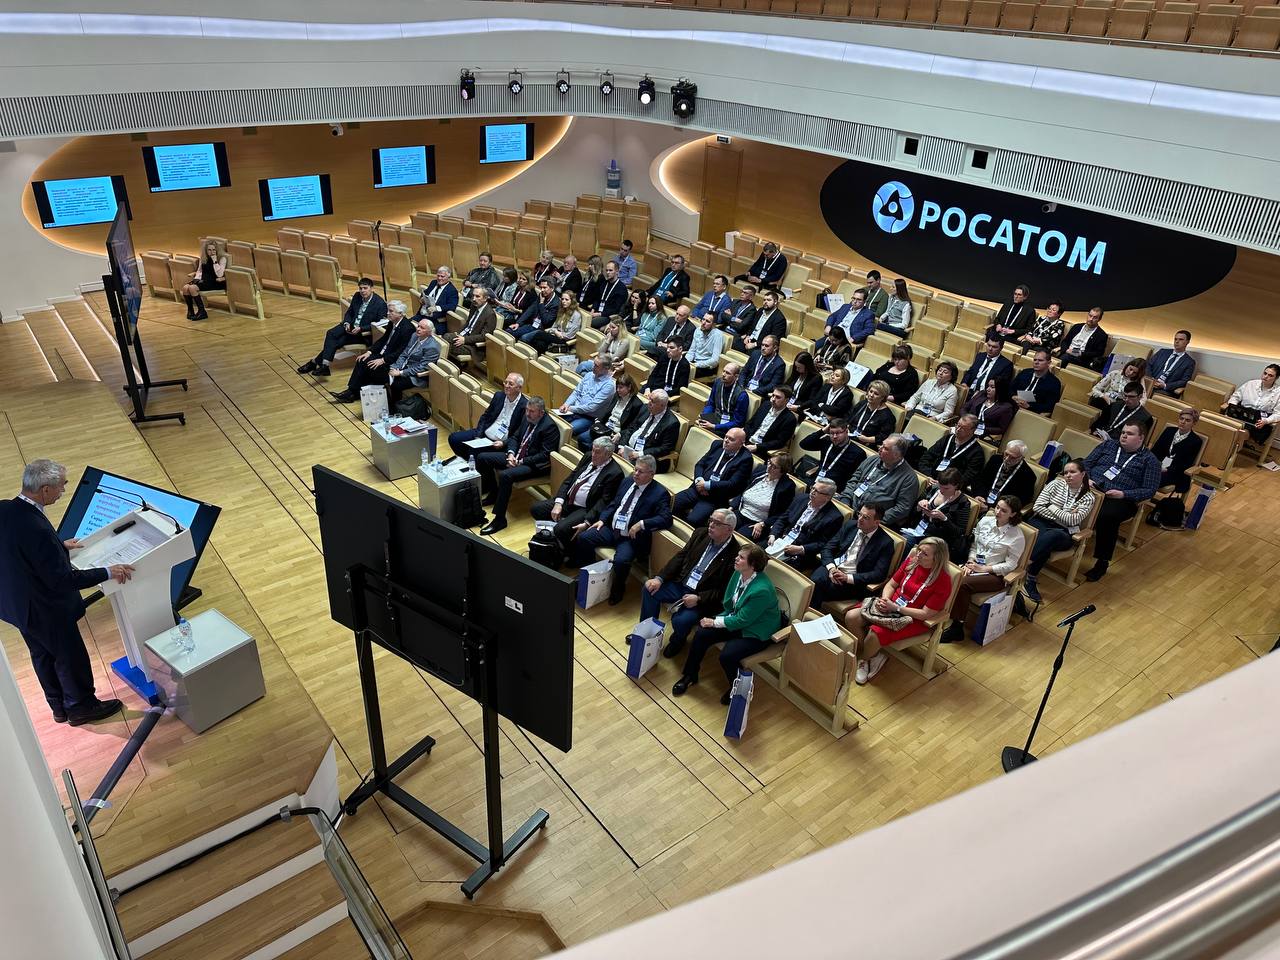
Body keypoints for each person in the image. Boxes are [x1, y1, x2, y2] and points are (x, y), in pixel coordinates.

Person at [0, 460, 135, 726]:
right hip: (45, 608)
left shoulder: (5, 508)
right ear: (45, 490)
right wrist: (107, 572)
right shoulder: (37, 527)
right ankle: (82, 707)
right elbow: (62, 580)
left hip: (16, 605)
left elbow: (18, 546)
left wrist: (58, 547)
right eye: (61, 486)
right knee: (69, 656)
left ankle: (59, 707)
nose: (63, 490)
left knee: (42, 655)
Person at [672, 544, 780, 704]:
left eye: (741, 557)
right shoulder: (738, 573)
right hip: (736, 620)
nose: (736, 558)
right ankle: (690, 675)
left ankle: (737, 688)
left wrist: (714, 621)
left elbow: (743, 620)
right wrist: (716, 620)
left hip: (756, 631)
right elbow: (729, 604)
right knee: (702, 633)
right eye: (738, 555)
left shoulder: (762, 590)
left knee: (727, 655)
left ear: (753, 565)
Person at [843, 538, 952, 686]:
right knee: (851, 617)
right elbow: (892, 584)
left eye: (924, 554)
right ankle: (873, 656)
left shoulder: (943, 581)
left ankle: (864, 659)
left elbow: (926, 614)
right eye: (919, 550)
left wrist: (896, 608)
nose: (918, 555)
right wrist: (885, 600)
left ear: (937, 559)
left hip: (913, 618)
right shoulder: (912, 562)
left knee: (875, 635)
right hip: (890, 605)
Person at [568, 455, 672, 604]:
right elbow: (613, 504)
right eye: (635, 469)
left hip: (630, 538)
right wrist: (602, 520)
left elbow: (666, 518)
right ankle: (590, 574)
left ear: (651, 474)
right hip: (612, 529)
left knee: (622, 561)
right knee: (584, 538)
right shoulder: (627, 481)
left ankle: (617, 589)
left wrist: (642, 524)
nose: (636, 474)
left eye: (640, 472)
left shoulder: (659, 493)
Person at [642, 509, 740, 658]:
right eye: (711, 520)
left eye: (717, 523)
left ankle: (677, 641)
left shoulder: (735, 555)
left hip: (701, 597)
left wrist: (699, 598)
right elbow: (680, 557)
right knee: (649, 589)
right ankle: (647, 634)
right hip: (681, 583)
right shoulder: (700, 534)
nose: (711, 525)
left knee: (680, 621)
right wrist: (659, 578)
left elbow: (724, 591)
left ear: (729, 529)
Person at [940, 495, 1026, 643]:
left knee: (962, 583)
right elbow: (975, 546)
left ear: (1013, 514)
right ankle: (939, 612)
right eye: (997, 507)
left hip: (996, 575)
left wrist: (985, 568)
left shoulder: (1017, 537)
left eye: (1004, 510)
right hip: (975, 565)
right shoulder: (985, 521)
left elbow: (1011, 565)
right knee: (947, 572)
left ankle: (957, 628)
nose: (998, 512)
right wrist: (971, 562)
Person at [1081, 422, 1161, 581]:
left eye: (1129, 433)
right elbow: (1086, 463)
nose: (1124, 436)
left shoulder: (1150, 461)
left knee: (1107, 516)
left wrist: (1123, 494)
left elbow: (1149, 490)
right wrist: (1087, 478)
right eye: (1123, 432)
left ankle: (1102, 561)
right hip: (1093, 486)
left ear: (1141, 438)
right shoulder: (1108, 445)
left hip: (1121, 498)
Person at [475, 397, 560, 534]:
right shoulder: (527, 419)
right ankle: (494, 492)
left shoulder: (549, 427)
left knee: (505, 475)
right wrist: (510, 454)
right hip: (516, 456)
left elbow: (545, 455)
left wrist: (520, 461)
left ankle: (500, 520)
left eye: (532, 411)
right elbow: (515, 437)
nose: (528, 414)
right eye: (527, 410)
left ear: (541, 413)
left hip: (534, 465)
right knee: (482, 458)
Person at [1019, 459, 1097, 606]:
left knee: (1052, 536)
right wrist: (1064, 514)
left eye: (1072, 472)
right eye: (1066, 472)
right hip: (1040, 522)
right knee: (1044, 541)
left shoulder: (1088, 497)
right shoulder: (1055, 484)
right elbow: (1038, 507)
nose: (1068, 475)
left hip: (1063, 532)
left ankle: (1022, 565)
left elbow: (1073, 521)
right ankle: (1030, 577)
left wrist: (1051, 506)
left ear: (1083, 474)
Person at [531, 437, 625, 550]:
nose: (593, 454)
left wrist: (588, 521)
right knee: (536, 509)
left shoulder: (614, 473)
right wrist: (558, 503)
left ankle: (568, 551)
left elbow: (604, 502)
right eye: (593, 450)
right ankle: (551, 539)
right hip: (568, 500)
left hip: (585, 508)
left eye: (597, 452)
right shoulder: (588, 456)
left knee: (560, 529)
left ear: (608, 454)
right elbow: (569, 479)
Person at [809, 502, 895, 610]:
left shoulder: (885, 543)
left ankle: (807, 614)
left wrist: (847, 578)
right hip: (834, 567)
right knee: (813, 582)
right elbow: (828, 548)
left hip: (853, 580)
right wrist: (831, 568)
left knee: (818, 590)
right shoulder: (850, 526)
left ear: (877, 522)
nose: (860, 519)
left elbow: (879, 574)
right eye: (860, 514)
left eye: (865, 517)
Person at [327, 299, 416, 403]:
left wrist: (383, 360)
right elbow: (383, 340)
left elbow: (401, 352)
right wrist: (369, 352)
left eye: (391, 311)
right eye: (388, 310)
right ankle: (352, 392)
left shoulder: (407, 329)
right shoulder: (392, 322)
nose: (388, 313)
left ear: (400, 314)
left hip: (391, 360)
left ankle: (352, 393)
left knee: (367, 364)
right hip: (382, 353)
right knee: (361, 359)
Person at [297, 278, 387, 378]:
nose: (362, 291)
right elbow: (349, 312)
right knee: (331, 333)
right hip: (350, 326)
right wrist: (347, 323)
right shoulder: (357, 296)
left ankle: (314, 363)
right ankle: (324, 366)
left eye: (365, 288)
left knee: (336, 342)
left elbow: (378, 324)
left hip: (362, 334)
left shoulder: (380, 303)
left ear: (371, 288)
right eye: (361, 288)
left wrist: (361, 329)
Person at [672, 429, 754, 526]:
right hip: (696, 489)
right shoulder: (717, 445)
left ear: (741, 444)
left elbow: (733, 484)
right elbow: (700, 465)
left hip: (714, 498)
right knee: (670, 505)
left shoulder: (746, 458)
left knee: (693, 520)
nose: (726, 440)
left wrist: (707, 485)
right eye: (726, 437)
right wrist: (699, 481)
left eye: (731, 439)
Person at [838, 434, 918, 529]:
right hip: (850, 506)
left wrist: (873, 520)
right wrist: (846, 499)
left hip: (871, 522)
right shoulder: (873, 459)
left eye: (885, 448)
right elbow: (854, 480)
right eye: (882, 445)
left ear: (897, 455)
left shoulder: (909, 478)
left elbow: (902, 508)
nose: (880, 448)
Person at [768, 479, 843, 570]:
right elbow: (783, 518)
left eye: (817, 491)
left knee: (773, 568)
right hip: (780, 540)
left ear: (827, 497)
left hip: (800, 552)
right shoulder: (801, 498)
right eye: (813, 488)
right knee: (757, 553)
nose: (812, 492)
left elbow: (823, 543)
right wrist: (773, 534)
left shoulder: (834, 517)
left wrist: (801, 549)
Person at [449, 373, 527, 457]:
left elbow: (519, 434)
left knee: (474, 452)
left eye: (510, 384)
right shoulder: (499, 396)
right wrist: (478, 436)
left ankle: (472, 461)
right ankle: (469, 460)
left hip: (500, 443)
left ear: (519, 388)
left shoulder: (524, 406)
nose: (506, 386)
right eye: (505, 382)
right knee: (454, 438)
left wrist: (504, 443)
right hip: (484, 434)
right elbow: (485, 417)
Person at [903, 467, 971, 560]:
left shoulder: (962, 503)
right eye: (940, 485)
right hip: (917, 530)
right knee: (904, 541)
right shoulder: (933, 489)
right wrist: (918, 507)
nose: (942, 490)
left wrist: (944, 519)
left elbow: (959, 532)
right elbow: (911, 512)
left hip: (938, 539)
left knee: (909, 543)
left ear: (957, 486)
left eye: (946, 488)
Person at [732, 454, 798, 542]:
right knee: (721, 524)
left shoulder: (787, 486)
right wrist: (731, 507)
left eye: (774, 467)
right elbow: (743, 490)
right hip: (740, 512)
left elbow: (782, 513)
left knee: (738, 538)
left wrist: (763, 524)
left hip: (757, 523)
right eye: (769, 462)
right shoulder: (760, 471)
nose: (769, 467)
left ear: (783, 470)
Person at [969, 439, 1037, 515]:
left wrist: (992, 507)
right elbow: (980, 479)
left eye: (1012, 457)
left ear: (1021, 458)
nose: (1007, 459)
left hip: (1001, 510)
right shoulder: (995, 459)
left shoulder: (1028, 476)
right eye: (1006, 454)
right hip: (982, 499)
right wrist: (979, 495)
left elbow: (1020, 501)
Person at [619, 390, 681, 471]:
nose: (649, 403)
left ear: (662, 405)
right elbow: (631, 428)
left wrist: (641, 454)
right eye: (649, 399)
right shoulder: (645, 408)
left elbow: (665, 448)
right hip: (629, 449)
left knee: (631, 467)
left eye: (653, 401)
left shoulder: (672, 423)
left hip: (649, 458)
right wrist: (622, 446)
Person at [557, 355, 617, 438]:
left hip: (589, 417)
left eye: (596, 366)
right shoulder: (589, 375)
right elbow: (576, 392)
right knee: (553, 421)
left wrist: (570, 408)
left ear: (605, 369)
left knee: (566, 430)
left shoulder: (608, 386)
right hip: (573, 410)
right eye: (594, 364)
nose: (592, 367)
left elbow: (591, 407)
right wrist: (566, 404)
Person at [580, 374, 644, 450]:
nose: (618, 390)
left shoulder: (636, 404)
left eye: (621, 387)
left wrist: (620, 434)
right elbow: (607, 411)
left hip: (616, 434)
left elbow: (631, 427)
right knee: (582, 438)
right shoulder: (616, 396)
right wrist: (598, 421)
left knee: (594, 446)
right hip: (604, 428)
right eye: (617, 387)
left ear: (629, 387)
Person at [797, 418, 865, 489]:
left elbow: (856, 478)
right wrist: (822, 431)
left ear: (846, 432)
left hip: (834, 488)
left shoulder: (858, 453)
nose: (834, 436)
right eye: (832, 433)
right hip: (816, 480)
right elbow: (803, 444)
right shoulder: (827, 441)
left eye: (838, 433)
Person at [384, 319, 441, 405]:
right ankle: (387, 404)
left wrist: (400, 373)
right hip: (406, 366)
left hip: (418, 376)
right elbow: (404, 354)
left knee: (396, 385)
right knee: (383, 374)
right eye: (418, 326)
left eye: (422, 328)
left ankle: (396, 408)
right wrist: (395, 366)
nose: (418, 329)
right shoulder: (414, 336)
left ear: (429, 332)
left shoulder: (432, 347)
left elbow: (422, 368)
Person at [917, 416, 985, 488]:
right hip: (930, 478)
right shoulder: (947, 438)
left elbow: (968, 477)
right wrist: (927, 475)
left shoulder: (977, 452)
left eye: (963, 428)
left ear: (973, 430)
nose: (958, 429)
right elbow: (926, 457)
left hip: (949, 487)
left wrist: (944, 485)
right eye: (958, 425)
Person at [1222, 363, 1280, 445]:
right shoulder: (1250, 384)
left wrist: (1266, 421)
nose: (1266, 376)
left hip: (1260, 422)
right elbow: (1235, 397)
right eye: (1265, 373)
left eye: (1270, 375)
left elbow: (1278, 414)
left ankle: (1229, 449)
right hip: (1241, 414)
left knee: (1241, 433)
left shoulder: (1278, 392)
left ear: (1276, 378)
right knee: (1224, 424)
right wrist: (1233, 407)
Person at [1150, 408, 1203, 495]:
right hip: (1158, 465)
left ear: (1194, 423)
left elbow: (1186, 464)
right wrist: (1156, 464)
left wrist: (1166, 469)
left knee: (1151, 478)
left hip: (1175, 472)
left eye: (1187, 420)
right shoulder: (1169, 431)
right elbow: (1155, 450)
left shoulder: (1196, 441)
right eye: (1181, 418)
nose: (1183, 422)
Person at [447, 286, 497, 366]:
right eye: (473, 296)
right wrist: (459, 334)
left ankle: (452, 367)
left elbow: (484, 336)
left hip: (473, 347)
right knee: (446, 337)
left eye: (477, 296)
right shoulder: (474, 306)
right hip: (464, 337)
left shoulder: (490, 314)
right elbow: (468, 324)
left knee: (447, 345)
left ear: (485, 298)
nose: (474, 299)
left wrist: (465, 339)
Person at [744, 385, 798, 457]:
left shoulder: (790, 419)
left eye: (778, 397)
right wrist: (743, 437)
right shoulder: (765, 405)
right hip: (747, 440)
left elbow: (779, 442)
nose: (773, 399)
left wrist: (757, 447)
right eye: (773, 395)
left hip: (762, 449)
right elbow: (750, 423)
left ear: (786, 400)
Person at [181, 239, 226, 320]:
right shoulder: (203, 258)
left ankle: (202, 312)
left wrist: (215, 261)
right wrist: (196, 280)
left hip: (216, 282)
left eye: (214, 250)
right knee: (185, 288)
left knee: (192, 288)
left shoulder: (222, 259)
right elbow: (199, 271)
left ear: (216, 250)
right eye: (209, 250)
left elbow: (220, 274)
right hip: (204, 280)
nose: (212, 252)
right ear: (206, 250)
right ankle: (191, 311)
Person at [697, 363, 749, 434]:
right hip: (715, 418)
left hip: (728, 427)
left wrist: (715, 426)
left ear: (736, 376)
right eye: (723, 371)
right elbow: (711, 404)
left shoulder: (742, 395)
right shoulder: (718, 382)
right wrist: (705, 416)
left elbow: (737, 422)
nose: (723, 374)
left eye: (728, 373)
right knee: (697, 427)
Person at [903, 360, 959, 425]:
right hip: (916, 412)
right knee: (903, 419)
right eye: (940, 370)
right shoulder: (929, 382)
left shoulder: (952, 390)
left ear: (951, 376)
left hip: (931, 417)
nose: (941, 373)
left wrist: (935, 418)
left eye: (945, 372)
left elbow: (948, 412)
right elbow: (915, 397)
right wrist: (909, 407)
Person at [528, 290, 584, 355]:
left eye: (566, 300)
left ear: (572, 301)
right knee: (539, 343)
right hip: (555, 336)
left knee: (539, 334)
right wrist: (556, 332)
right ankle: (535, 359)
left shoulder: (576, 315)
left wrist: (558, 334)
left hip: (565, 341)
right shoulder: (562, 311)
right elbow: (553, 327)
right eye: (562, 299)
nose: (563, 301)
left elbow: (569, 335)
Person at [1010, 350, 1063, 416]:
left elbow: (1049, 406)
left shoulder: (1054, 383)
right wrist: (1013, 396)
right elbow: (1010, 388)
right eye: (1035, 360)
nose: (1036, 362)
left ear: (1049, 363)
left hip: (1031, 413)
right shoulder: (1025, 372)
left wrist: (1029, 406)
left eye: (1040, 360)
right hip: (1012, 405)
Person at [732, 289, 786, 354]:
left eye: (769, 300)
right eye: (764, 300)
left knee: (751, 353)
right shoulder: (760, 310)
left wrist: (755, 344)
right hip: (750, 339)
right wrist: (748, 335)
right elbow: (752, 325)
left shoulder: (779, 319)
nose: (765, 302)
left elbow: (773, 340)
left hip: (762, 345)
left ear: (775, 302)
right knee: (733, 342)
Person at [848, 380, 897, 449]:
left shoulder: (887, 416)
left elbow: (883, 437)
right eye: (871, 391)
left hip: (867, 444)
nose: (871, 395)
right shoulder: (862, 404)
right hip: (850, 436)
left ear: (883, 397)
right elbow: (849, 419)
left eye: (876, 394)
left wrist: (867, 439)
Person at [1148, 330, 1197, 397]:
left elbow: (1184, 381)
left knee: (1151, 394)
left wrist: (1165, 385)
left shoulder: (1189, 362)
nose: (1177, 341)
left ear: (1187, 342)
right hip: (1150, 382)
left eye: (1181, 339)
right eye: (1175, 339)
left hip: (1165, 390)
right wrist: (1151, 380)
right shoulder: (1162, 352)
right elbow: (1148, 365)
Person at [1059, 307, 1109, 371]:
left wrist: (1077, 353)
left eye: (1095, 317)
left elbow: (1098, 353)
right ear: (1087, 315)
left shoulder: (1101, 335)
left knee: (1065, 358)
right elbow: (1065, 341)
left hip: (1082, 359)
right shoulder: (1077, 327)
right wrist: (1066, 350)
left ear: (1099, 319)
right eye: (1090, 316)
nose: (1091, 319)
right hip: (1067, 353)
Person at [416, 266, 459, 333]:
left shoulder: (452, 290)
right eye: (438, 276)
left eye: (442, 276)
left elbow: (452, 306)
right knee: (406, 325)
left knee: (415, 330)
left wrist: (437, 308)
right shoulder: (433, 283)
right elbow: (425, 293)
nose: (439, 278)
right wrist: (422, 298)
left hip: (436, 320)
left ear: (449, 278)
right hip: (422, 315)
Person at [588, 259, 629, 329]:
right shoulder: (604, 283)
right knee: (584, 317)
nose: (608, 272)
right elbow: (597, 299)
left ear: (617, 271)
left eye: (610, 270)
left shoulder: (622, 288)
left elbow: (616, 309)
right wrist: (592, 310)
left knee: (590, 322)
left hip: (607, 316)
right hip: (597, 312)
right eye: (606, 270)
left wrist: (599, 314)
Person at [688, 313, 726, 380]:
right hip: (694, 362)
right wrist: (686, 362)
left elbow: (715, 360)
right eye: (703, 319)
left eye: (707, 321)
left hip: (706, 367)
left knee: (685, 371)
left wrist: (696, 365)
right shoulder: (698, 330)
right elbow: (691, 351)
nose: (703, 323)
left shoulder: (718, 336)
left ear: (714, 325)